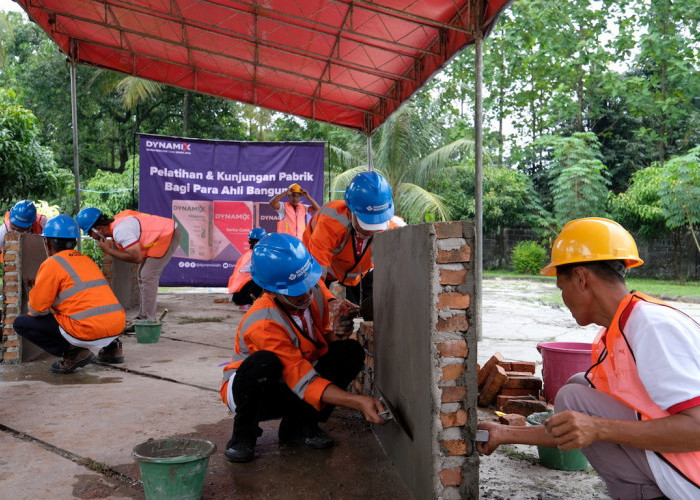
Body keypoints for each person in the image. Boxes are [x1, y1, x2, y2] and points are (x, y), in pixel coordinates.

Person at [477, 217, 700, 500]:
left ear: (581, 278)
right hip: (678, 469)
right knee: (579, 387)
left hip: (691, 483)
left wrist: (598, 428)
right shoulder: (618, 332)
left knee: (575, 397)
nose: (563, 299)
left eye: (561, 288)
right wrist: (503, 434)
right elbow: (577, 428)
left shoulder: (652, 326)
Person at [219, 232, 385, 463]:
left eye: (308, 284)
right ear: (272, 291)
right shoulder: (263, 323)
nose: (308, 294)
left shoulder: (308, 288)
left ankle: (299, 427)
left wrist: (337, 331)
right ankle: (243, 435)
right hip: (256, 391)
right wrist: (358, 401)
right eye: (298, 292)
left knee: (349, 351)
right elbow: (302, 379)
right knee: (264, 362)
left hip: (292, 378)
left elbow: (313, 340)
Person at [13, 215, 126, 373]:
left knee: (21, 323)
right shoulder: (86, 260)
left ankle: (73, 353)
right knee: (90, 313)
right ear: (74, 242)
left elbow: (36, 309)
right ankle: (113, 347)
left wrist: (39, 292)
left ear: (47, 243)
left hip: (89, 330)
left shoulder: (52, 263)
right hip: (116, 325)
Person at [302, 171, 398, 310]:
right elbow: (314, 276)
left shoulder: (393, 228)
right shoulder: (330, 223)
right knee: (319, 310)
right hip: (323, 271)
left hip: (358, 275)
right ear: (350, 211)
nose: (371, 231)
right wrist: (331, 303)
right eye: (367, 223)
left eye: (377, 223)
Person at [76, 207, 181, 330]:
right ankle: (143, 316)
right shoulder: (117, 226)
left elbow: (136, 258)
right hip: (163, 233)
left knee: (148, 275)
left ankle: (148, 320)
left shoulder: (120, 231)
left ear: (98, 229)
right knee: (142, 274)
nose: (91, 237)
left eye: (90, 233)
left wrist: (109, 250)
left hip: (168, 234)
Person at [225, 227, 267, 307]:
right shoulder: (254, 256)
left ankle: (251, 302)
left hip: (237, 292)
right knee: (262, 280)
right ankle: (250, 303)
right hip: (238, 295)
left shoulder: (251, 254)